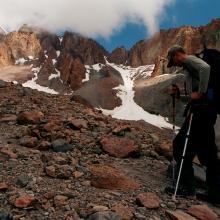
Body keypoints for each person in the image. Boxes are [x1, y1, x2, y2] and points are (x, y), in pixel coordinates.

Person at [166, 45, 220, 205]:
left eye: (172, 61)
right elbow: (193, 97)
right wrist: (181, 95)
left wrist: (201, 92)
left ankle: (188, 189)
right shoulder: (191, 67)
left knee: (179, 146)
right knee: (208, 154)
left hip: (200, 114)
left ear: (176, 55)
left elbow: (205, 68)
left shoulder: (189, 60)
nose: (174, 64)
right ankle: (216, 195)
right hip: (207, 112)